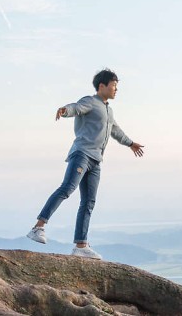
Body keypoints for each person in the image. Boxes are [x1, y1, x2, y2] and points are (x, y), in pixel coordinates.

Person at [26, 69, 145, 259]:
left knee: (89, 202)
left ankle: (81, 245)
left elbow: (115, 130)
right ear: (102, 86)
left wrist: (130, 143)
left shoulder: (109, 110)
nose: (116, 89)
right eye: (114, 85)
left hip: (96, 161)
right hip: (81, 154)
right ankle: (38, 227)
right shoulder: (90, 101)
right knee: (67, 188)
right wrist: (65, 110)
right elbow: (76, 107)